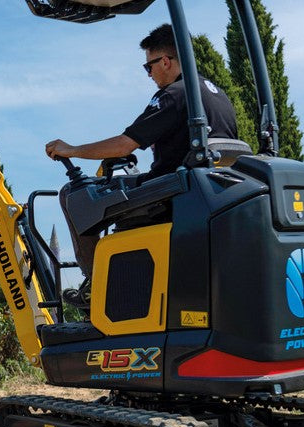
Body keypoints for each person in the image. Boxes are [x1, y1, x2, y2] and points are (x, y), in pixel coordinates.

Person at [45, 23, 238, 307]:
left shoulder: (173, 95)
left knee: (75, 195)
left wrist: (71, 149)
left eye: (148, 67)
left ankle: (97, 285)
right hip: (206, 193)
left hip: (171, 194)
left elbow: (126, 144)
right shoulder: (216, 94)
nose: (149, 75)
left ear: (166, 61)